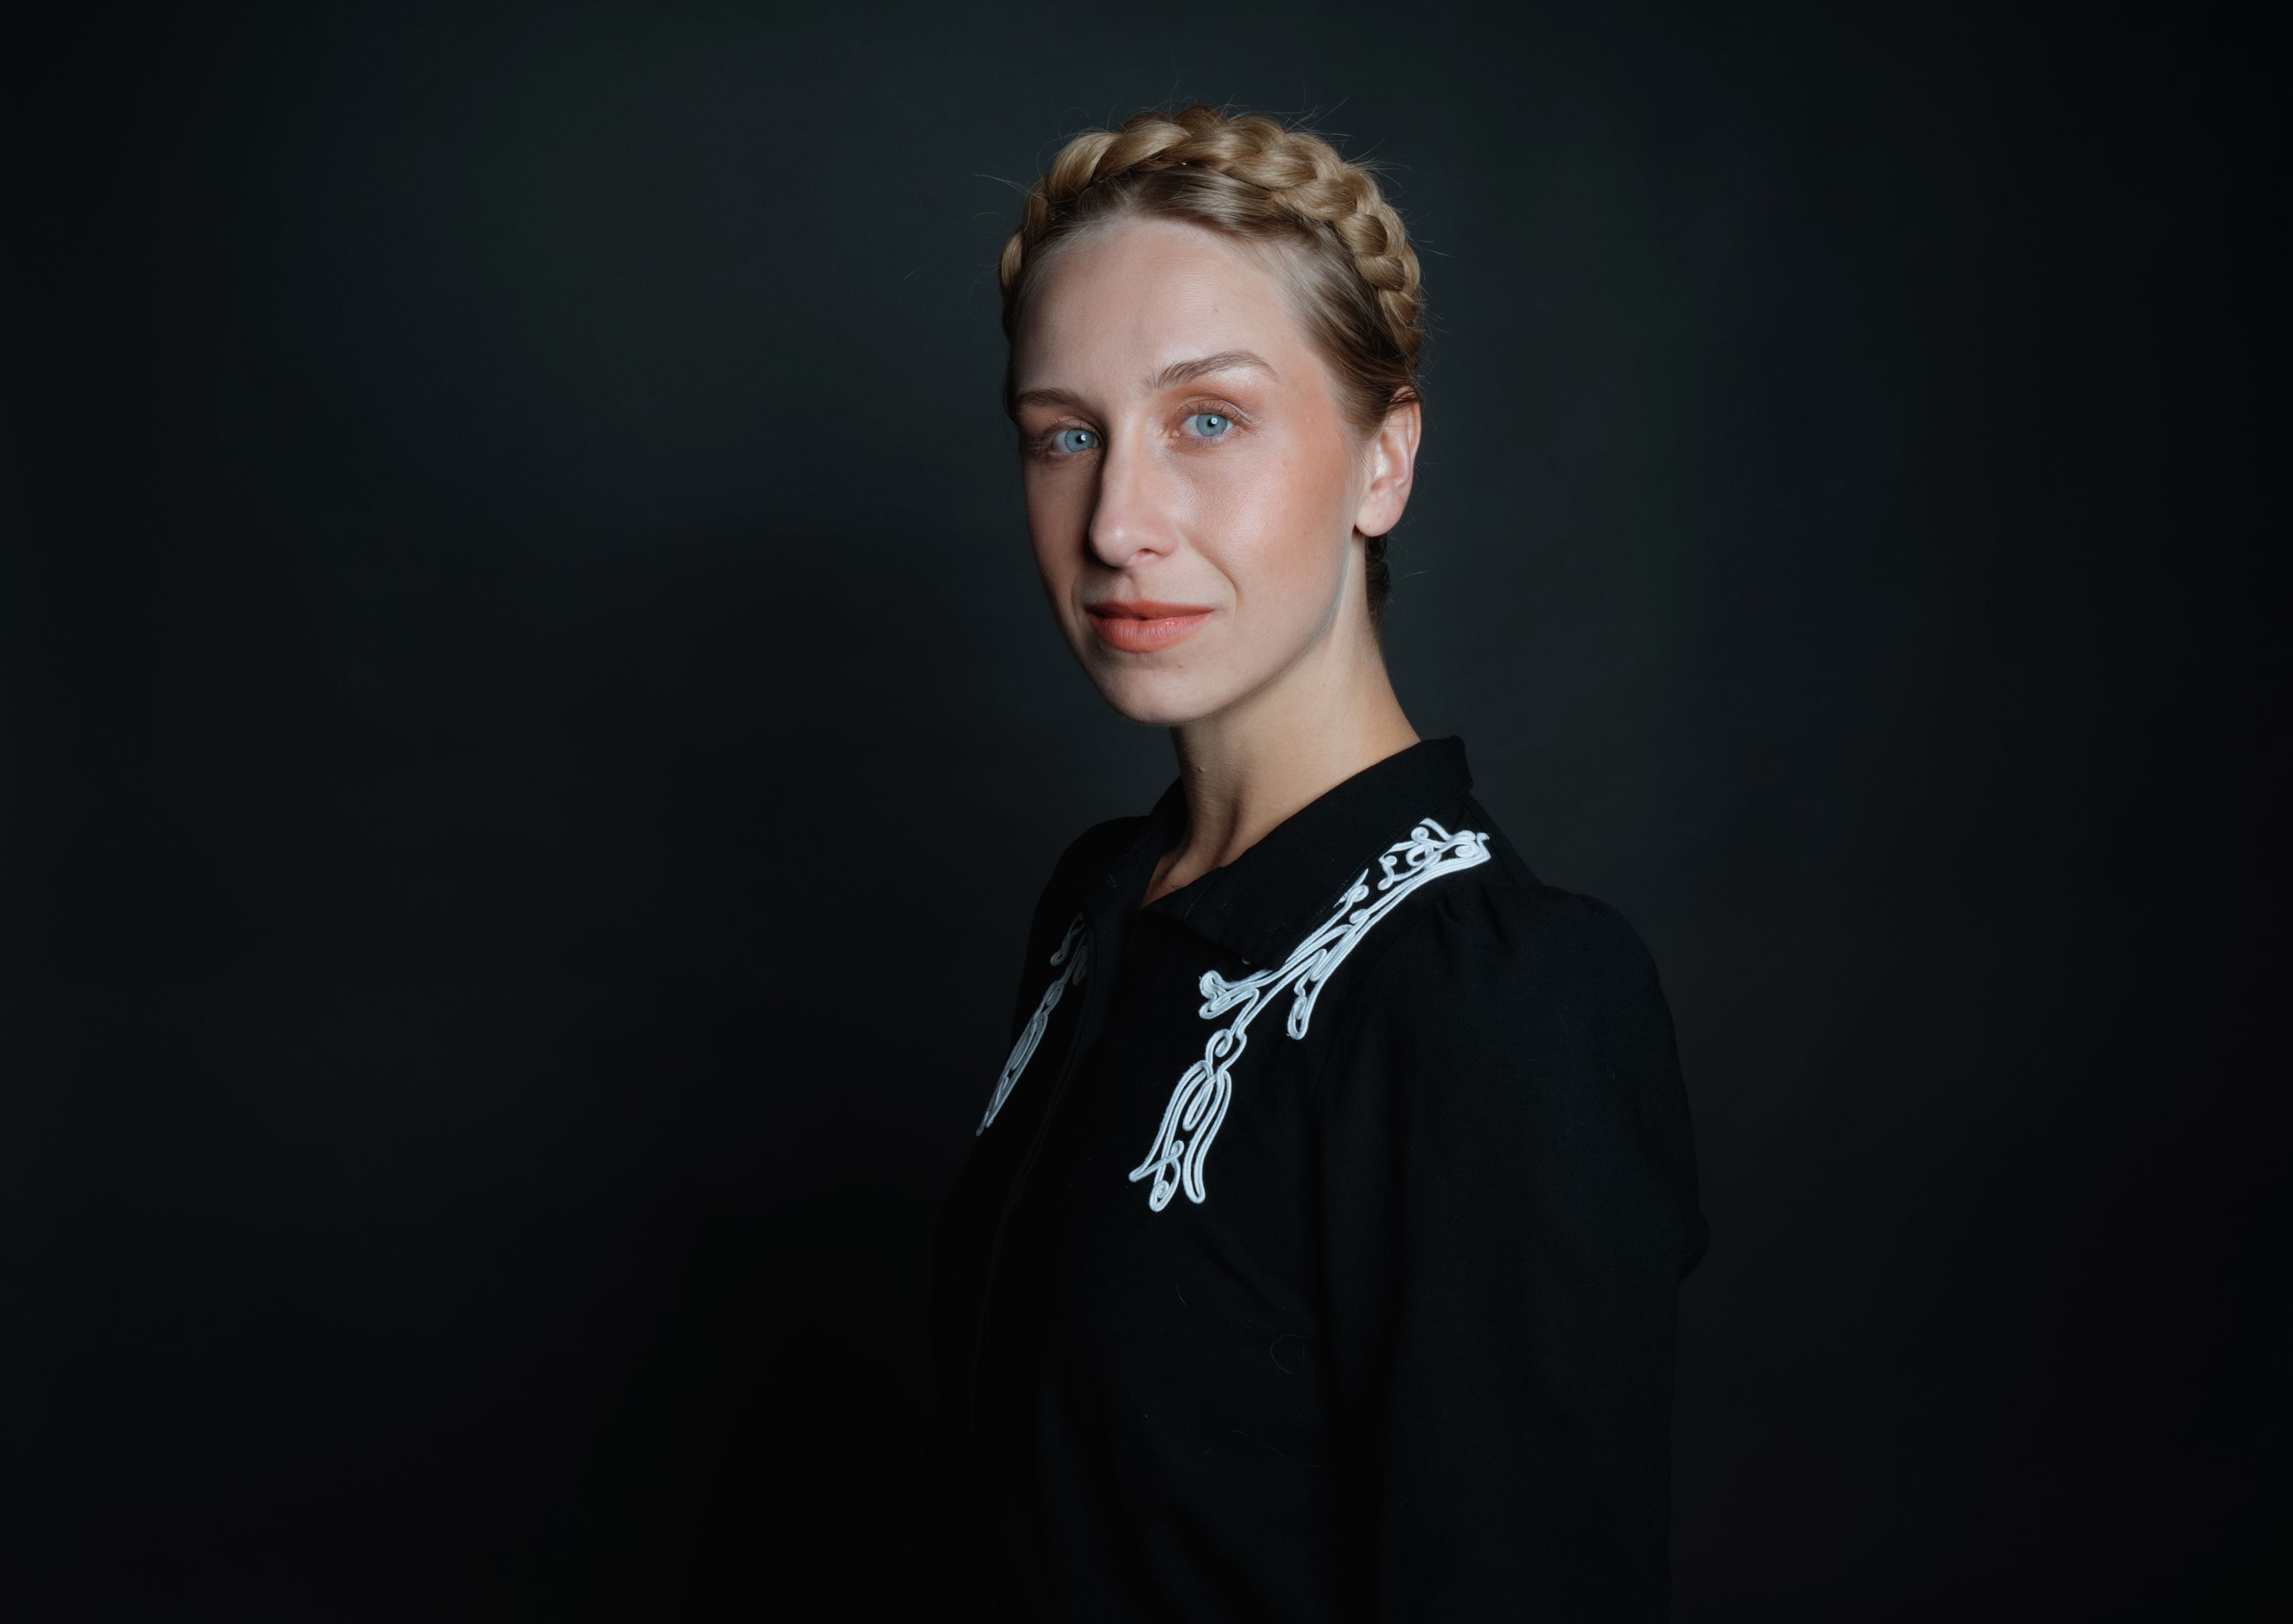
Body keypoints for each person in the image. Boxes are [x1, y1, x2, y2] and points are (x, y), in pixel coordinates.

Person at [908, 105, 1708, 1621]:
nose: (1117, 523)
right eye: (1065, 434)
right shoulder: (1098, 906)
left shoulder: (1502, 1001)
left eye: (1208, 419)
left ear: (1382, 462)